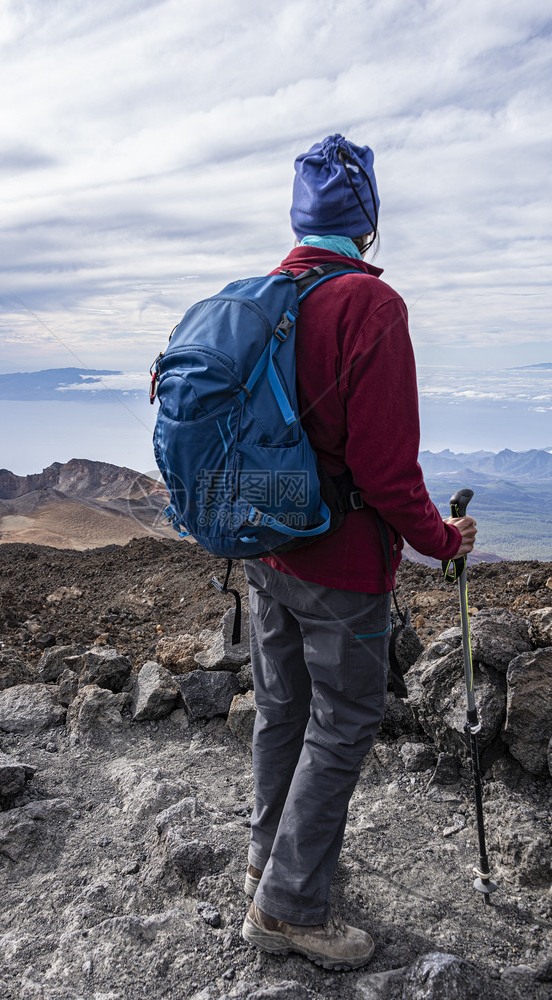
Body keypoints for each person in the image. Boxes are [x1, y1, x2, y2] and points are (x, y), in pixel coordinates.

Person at [240, 133, 477, 970]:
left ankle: (267, 863)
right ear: (366, 219)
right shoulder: (369, 307)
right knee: (344, 724)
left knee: (282, 710)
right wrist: (441, 541)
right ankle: (290, 906)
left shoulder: (265, 296)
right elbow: (384, 466)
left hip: (265, 552)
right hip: (340, 566)